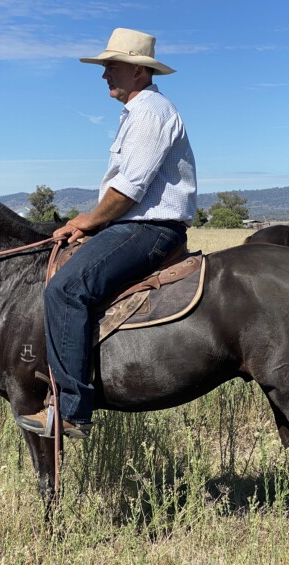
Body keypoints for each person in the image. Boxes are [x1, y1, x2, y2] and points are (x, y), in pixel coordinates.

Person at [16, 27, 197, 439]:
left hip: (149, 227)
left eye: (111, 67)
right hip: (138, 223)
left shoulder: (150, 113)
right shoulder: (138, 112)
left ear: (138, 71)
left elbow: (128, 191)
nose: (104, 76)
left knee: (64, 290)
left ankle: (70, 411)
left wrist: (85, 222)